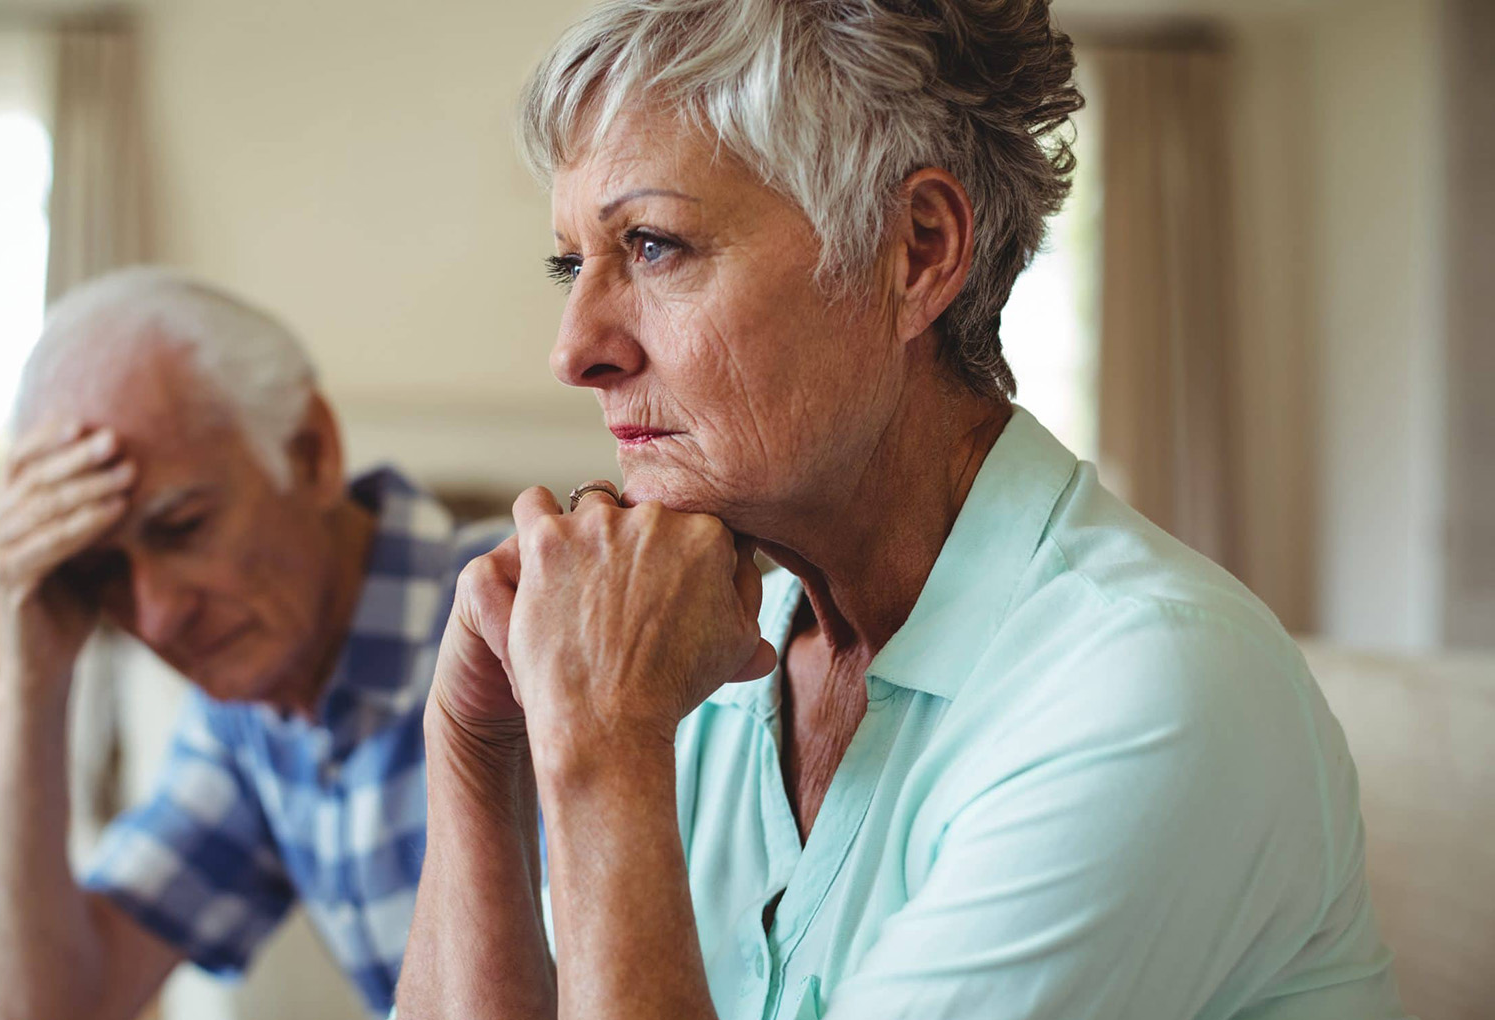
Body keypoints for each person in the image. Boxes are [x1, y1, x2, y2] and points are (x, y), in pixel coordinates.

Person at [394, 2, 1408, 1018]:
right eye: (571, 264)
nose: (576, 350)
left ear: (916, 251)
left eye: (654, 246)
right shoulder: (700, 654)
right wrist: (474, 746)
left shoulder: (1153, 683)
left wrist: (600, 738)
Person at [0, 268, 505, 1020]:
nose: (155, 619)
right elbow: (51, 1009)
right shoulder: (252, 711)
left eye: (182, 526)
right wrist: (27, 687)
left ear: (310, 451)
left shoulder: (527, 617)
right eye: (101, 573)